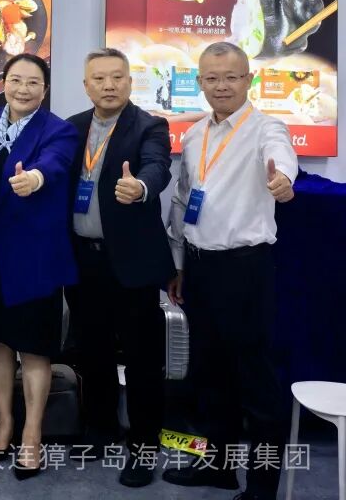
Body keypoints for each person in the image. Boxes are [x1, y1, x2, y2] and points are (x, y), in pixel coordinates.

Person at [162, 42, 296, 500]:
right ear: (199, 82)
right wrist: (179, 264)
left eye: (232, 77)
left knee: (256, 382)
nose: (222, 86)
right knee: (210, 376)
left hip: (245, 271)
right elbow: (184, 200)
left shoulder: (266, 128)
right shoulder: (195, 134)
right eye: (212, 78)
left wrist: (283, 179)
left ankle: (262, 488)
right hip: (199, 269)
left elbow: (280, 155)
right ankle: (218, 468)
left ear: (249, 80)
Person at [0, 53, 78, 480]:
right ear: (4, 83)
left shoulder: (58, 130)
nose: (23, 89)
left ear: (44, 89)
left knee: (33, 347)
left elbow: (56, 163)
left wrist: (34, 178)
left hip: (34, 260)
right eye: (15, 80)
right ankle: (5, 423)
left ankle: (32, 435)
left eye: (33, 82)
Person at [65, 48, 175, 488]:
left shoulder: (150, 126)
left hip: (131, 263)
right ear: (86, 85)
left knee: (142, 359)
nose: (108, 85)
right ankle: (101, 429)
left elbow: (158, 166)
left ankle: (144, 447)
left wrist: (142, 186)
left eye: (117, 77)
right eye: (99, 78)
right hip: (83, 260)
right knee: (91, 352)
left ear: (130, 82)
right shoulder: (72, 127)